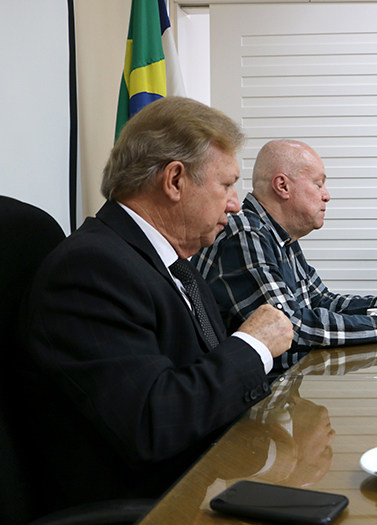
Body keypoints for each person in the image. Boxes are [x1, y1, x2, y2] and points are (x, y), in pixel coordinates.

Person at [14, 97, 294, 512]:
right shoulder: (92, 268)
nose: (236, 204)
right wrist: (252, 347)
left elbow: (202, 383)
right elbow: (153, 422)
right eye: (226, 185)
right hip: (152, 506)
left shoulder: (176, 264)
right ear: (175, 180)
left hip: (203, 480)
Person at [194, 139, 377, 362]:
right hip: (255, 401)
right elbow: (291, 326)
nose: (327, 196)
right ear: (282, 186)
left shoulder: (280, 235)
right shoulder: (245, 233)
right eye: (318, 184)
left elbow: (321, 301)